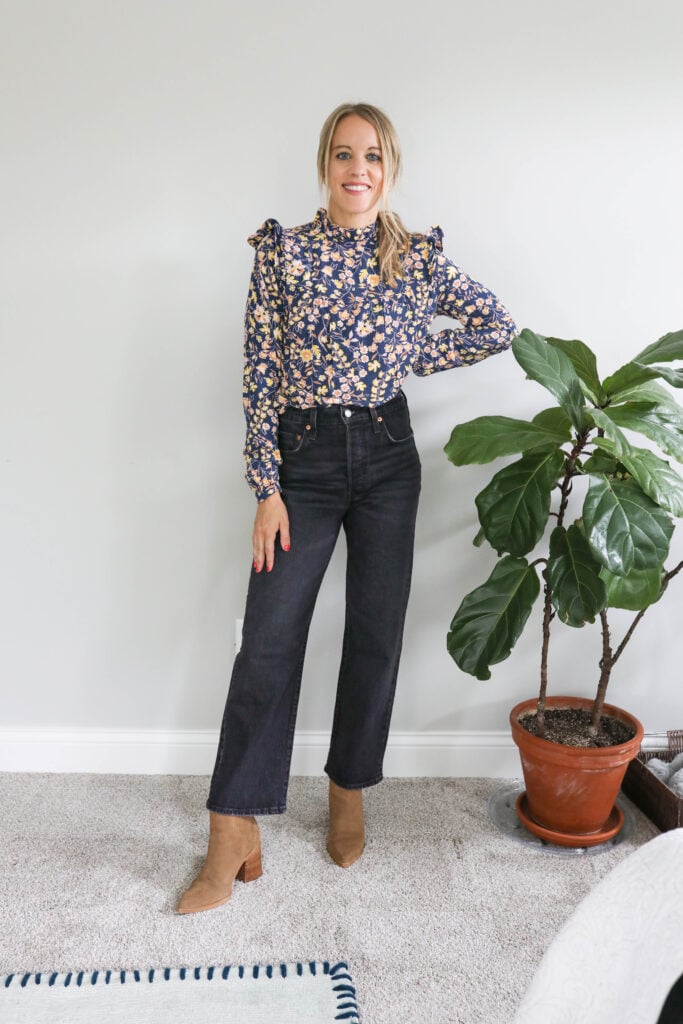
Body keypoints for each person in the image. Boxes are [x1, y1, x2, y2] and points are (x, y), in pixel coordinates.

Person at [177, 102, 517, 914]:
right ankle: (232, 831)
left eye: (370, 155)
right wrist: (267, 487)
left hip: (390, 457)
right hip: (306, 462)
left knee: (375, 632)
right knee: (268, 640)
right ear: (324, 166)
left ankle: (347, 788)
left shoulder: (416, 257)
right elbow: (260, 372)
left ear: (389, 168)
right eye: (342, 154)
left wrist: (404, 356)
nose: (356, 168)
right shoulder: (284, 254)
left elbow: (496, 326)